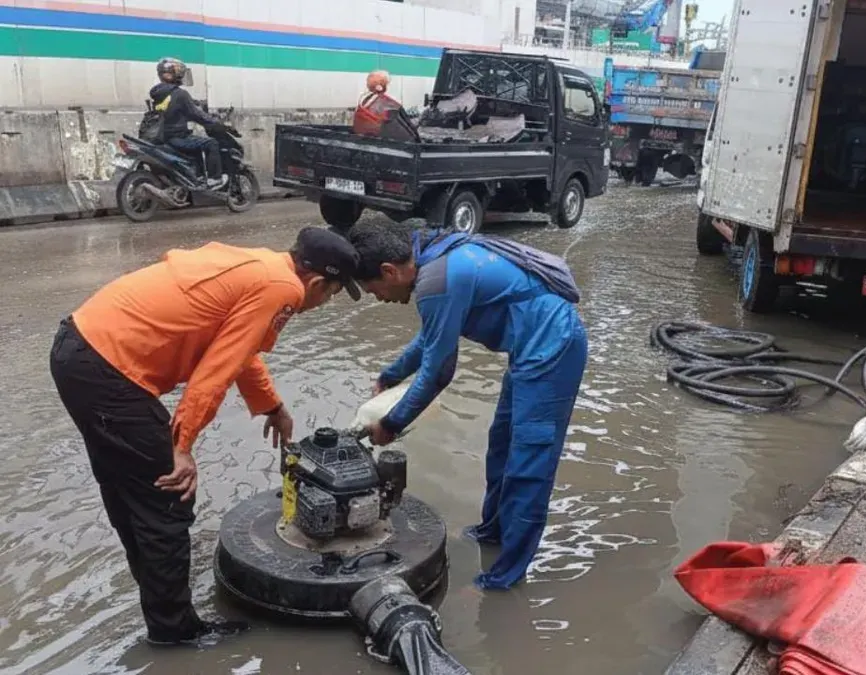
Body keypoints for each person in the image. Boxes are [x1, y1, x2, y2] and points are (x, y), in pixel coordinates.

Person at [49, 228, 361, 646]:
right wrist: (182, 447)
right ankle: (174, 632)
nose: (324, 303)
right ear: (318, 283)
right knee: (170, 495)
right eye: (332, 294)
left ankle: (158, 597)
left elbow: (238, 349)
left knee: (131, 489)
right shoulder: (283, 288)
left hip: (78, 347)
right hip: (110, 370)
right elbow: (216, 370)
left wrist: (272, 405)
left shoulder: (264, 265)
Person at [346, 223, 588, 590]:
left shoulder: (436, 280)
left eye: (372, 289)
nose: (378, 297)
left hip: (552, 348)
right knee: (502, 446)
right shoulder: (435, 262)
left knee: (528, 464)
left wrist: (391, 423)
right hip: (529, 350)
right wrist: (390, 375)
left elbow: (439, 372)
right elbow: (433, 336)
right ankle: (492, 531)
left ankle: (506, 575)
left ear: (388, 271)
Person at [151, 57, 228, 189]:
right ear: (176, 74)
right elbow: (196, 114)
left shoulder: (158, 94)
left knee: (195, 147)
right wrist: (215, 122)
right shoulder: (180, 94)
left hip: (163, 137)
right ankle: (214, 179)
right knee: (211, 143)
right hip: (177, 137)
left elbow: (174, 111)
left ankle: (197, 177)